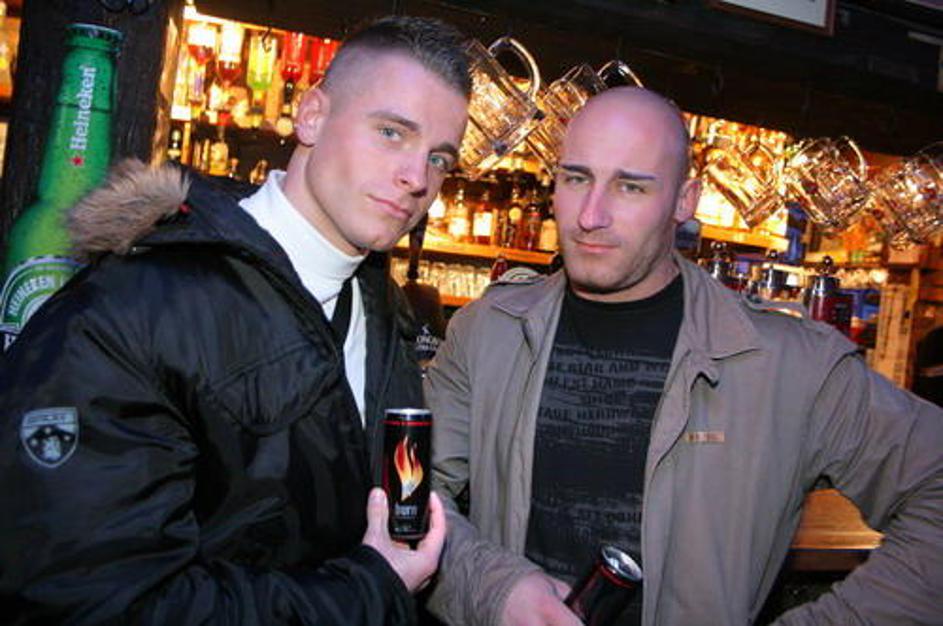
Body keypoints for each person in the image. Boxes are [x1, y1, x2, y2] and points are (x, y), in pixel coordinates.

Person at [0, 15, 470, 625]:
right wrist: (368, 589)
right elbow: (91, 601)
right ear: (312, 115)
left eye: (439, 159)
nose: (416, 179)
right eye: (390, 133)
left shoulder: (383, 310)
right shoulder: (134, 306)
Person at [424, 87, 943, 625]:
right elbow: (407, 493)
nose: (590, 215)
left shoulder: (793, 366)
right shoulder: (488, 331)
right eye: (576, 178)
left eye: (630, 186)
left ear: (684, 201)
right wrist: (494, 591)